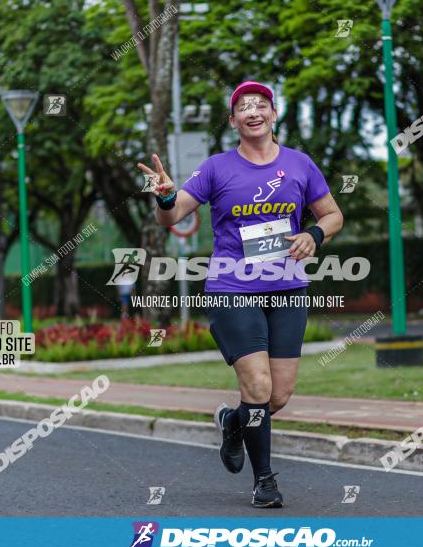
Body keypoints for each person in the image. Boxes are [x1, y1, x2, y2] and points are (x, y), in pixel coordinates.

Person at [138, 81, 343, 507]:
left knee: (276, 396)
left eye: (261, 105)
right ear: (234, 121)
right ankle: (264, 479)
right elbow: (172, 216)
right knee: (257, 382)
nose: (253, 111)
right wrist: (165, 196)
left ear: (273, 114)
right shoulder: (216, 168)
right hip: (233, 287)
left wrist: (315, 234)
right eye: (243, 107)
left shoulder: (300, 164)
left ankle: (233, 423)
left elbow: (333, 214)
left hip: (287, 288)